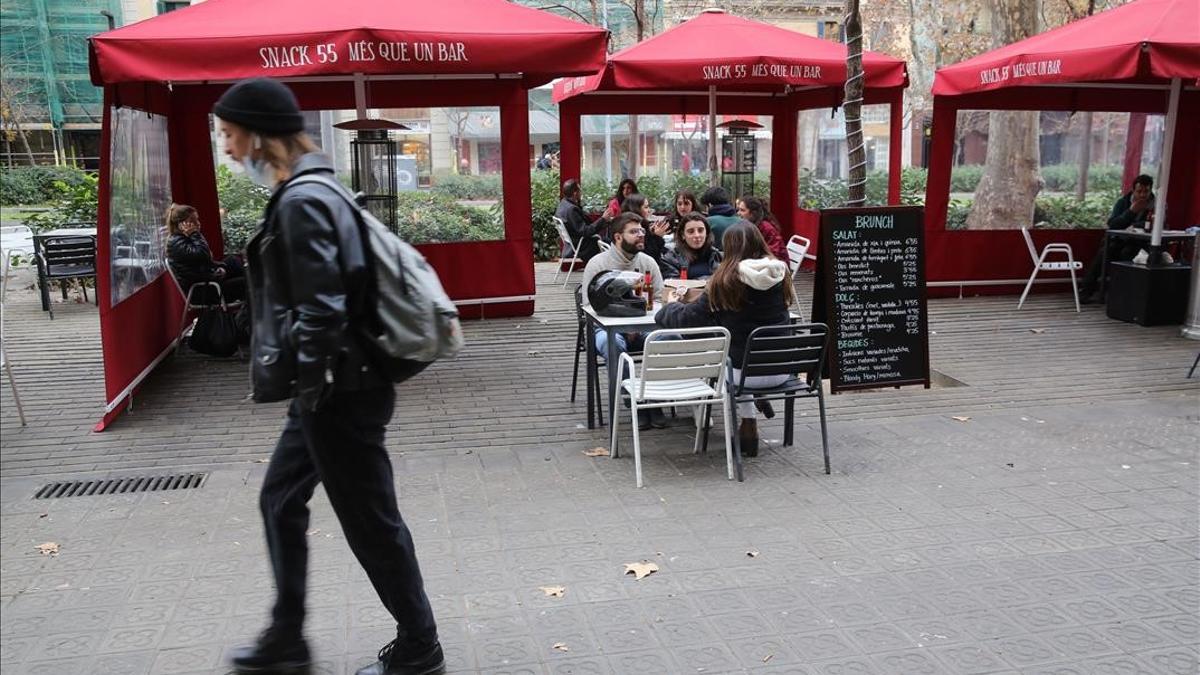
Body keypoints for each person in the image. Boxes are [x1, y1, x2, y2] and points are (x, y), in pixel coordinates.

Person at [213, 78, 443, 675]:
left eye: (230, 134)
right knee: (280, 498)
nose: (228, 149)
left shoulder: (303, 200)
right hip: (333, 384)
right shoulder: (315, 188)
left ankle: (420, 647)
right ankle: (286, 638)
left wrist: (310, 391)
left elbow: (322, 309)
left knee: (371, 521)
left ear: (260, 134)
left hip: (341, 389)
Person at [654, 221, 795, 456]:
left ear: (729, 248)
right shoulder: (781, 274)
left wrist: (669, 307)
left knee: (723, 353)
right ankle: (750, 418)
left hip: (742, 371)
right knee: (742, 348)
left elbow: (688, 320)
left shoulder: (725, 281)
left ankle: (747, 419)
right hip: (781, 368)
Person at [582, 212, 666, 429]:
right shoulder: (598, 264)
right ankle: (635, 401)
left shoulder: (648, 262)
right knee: (613, 344)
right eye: (634, 232)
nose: (640, 235)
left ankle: (655, 399)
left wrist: (637, 326)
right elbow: (590, 307)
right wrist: (625, 325)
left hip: (645, 326)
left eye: (642, 231)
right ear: (618, 237)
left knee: (664, 338)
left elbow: (658, 300)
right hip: (604, 329)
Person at [1081, 174, 1155, 303]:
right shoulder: (1123, 202)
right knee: (1105, 252)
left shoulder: (1157, 205)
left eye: (1146, 191)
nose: (1143, 195)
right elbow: (1113, 223)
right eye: (1139, 191)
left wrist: (1135, 224)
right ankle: (1086, 290)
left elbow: (1160, 224)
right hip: (1119, 240)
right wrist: (1131, 212)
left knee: (1128, 253)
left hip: (1141, 243)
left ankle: (1120, 294)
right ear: (1133, 191)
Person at [165, 203, 246, 304]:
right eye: (193, 221)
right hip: (204, 291)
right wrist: (195, 233)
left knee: (232, 260)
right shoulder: (177, 243)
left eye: (197, 219)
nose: (198, 223)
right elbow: (203, 255)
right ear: (181, 225)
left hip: (208, 281)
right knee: (246, 283)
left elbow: (201, 263)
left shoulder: (184, 238)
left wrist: (218, 269)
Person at [659, 212, 722, 280]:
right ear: (683, 235)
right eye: (691, 231)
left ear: (706, 233)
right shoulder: (671, 259)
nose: (697, 235)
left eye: (700, 230)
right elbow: (674, 285)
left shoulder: (717, 256)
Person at [556, 179, 606, 263]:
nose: (581, 193)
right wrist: (603, 219)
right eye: (580, 190)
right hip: (582, 246)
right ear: (575, 193)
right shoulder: (572, 209)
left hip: (572, 243)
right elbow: (586, 231)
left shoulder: (563, 204)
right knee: (608, 242)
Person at [737, 195, 788, 262]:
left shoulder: (766, 228)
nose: (738, 213)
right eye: (738, 210)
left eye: (742, 210)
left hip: (777, 265)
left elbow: (773, 255)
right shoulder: (750, 225)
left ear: (753, 213)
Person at [621, 193, 669, 264]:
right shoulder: (632, 230)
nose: (649, 210)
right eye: (646, 207)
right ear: (636, 209)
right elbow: (649, 257)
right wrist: (657, 237)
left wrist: (651, 233)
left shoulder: (625, 224)